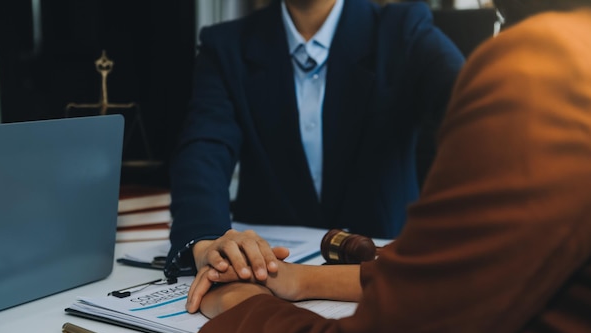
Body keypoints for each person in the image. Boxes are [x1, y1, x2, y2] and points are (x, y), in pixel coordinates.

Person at [188, 1, 591, 333]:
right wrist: (297, 277)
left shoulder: (545, 67)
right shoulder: (588, 49)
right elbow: (202, 151)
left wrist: (238, 301)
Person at [164, 0, 464, 281]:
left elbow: (471, 111)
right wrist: (206, 241)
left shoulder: (403, 31)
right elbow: (204, 149)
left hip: (384, 269)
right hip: (267, 270)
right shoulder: (227, 45)